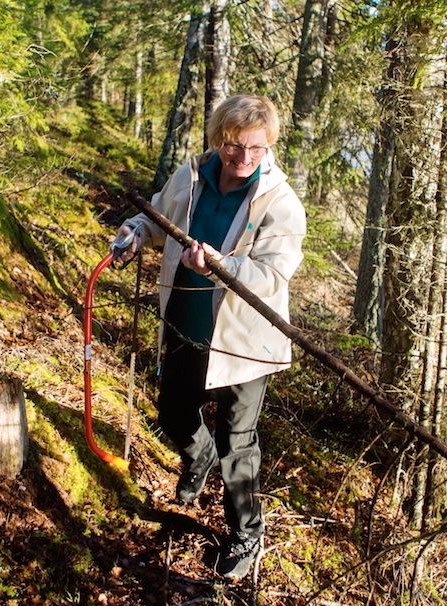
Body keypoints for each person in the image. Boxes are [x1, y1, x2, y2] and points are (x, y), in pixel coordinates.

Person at [114, 94, 306, 579]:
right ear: (219, 140)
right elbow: (158, 219)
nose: (243, 158)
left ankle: (245, 536)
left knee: (237, 440)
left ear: (269, 146)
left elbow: (273, 276)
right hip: (185, 318)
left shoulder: (280, 203)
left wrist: (221, 265)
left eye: (255, 149)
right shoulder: (192, 176)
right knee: (174, 412)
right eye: (234, 146)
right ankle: (196, 456)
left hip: (245, 340)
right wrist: (136, 231)